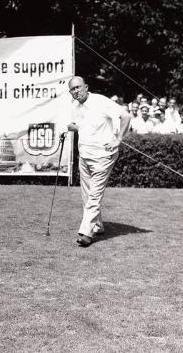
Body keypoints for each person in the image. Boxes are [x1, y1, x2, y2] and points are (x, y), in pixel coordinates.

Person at [67, 76, 131, 247]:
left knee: (94, 195)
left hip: (103, 156)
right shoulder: (75, 106)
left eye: (78, 88)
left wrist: (118, 139)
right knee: (87, 194)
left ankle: (86, 232)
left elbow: (125, 116)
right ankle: (98, 225)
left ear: (86, 87)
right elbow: (81, 125)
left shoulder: (100, 101)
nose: (76, 92)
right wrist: (71, 127)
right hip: (85, 155)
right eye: (72, 90)